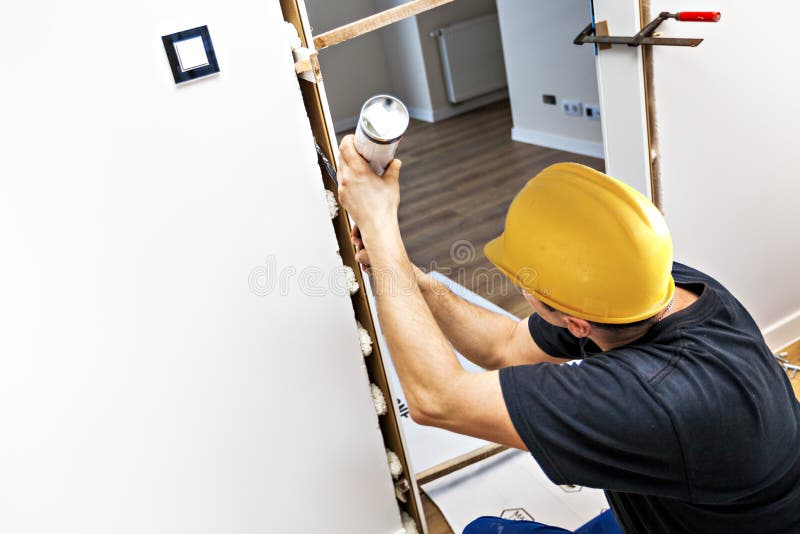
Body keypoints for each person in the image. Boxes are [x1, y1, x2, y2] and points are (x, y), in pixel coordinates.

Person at [335, 135, 800, 533]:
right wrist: (409, 276)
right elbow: (506, 347)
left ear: (576, 323)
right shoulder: (649, 284)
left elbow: (437, 399)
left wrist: (380, 228)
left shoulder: (649, 398)